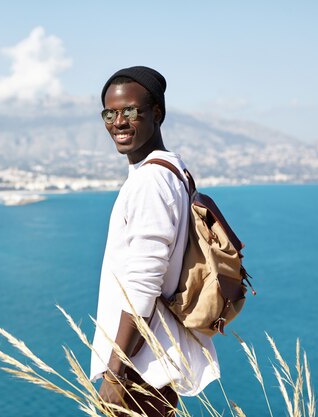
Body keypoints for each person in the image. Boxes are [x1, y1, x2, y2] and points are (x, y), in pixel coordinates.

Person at [90, 66, 220, 416]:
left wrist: (115, 374)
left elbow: (144, 280)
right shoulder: (175, 171)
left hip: (139, 365)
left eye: (130, 111)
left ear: (156, 114)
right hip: (152, 360)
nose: (118, 122)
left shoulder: (150, 181)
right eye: (110, 113)